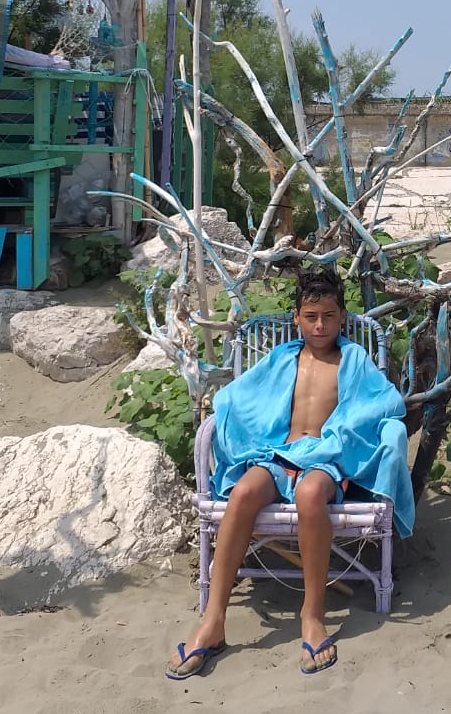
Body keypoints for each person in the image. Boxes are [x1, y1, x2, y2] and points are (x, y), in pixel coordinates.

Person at [166, 266, 415, 680]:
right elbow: (241, 398)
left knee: (311, 494)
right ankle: (213, 621)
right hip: (278, 455)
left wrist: (343, 448)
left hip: (324, 458)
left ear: (343, 317)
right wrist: (238, 426)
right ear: (296, 317)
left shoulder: (352, 359)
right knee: (244, 492)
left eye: (329, 316)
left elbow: (382, 405)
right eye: (311, 316)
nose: (320, 325)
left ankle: (312, 614)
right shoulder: (284, 358)